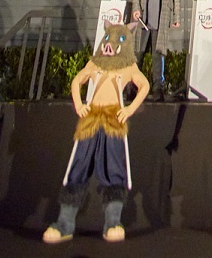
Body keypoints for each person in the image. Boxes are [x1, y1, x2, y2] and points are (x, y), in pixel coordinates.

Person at [42, 20, 150, 243]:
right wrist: (79, 105)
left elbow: (144, 85)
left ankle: (113, 222)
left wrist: (129, 110)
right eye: (109, 37)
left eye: (119, 38)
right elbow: (77, 81)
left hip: (112, 121)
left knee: (114, 169)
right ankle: (65, 223)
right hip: (91, 120)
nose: (111, 43)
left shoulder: (129, 66)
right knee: (78, 166)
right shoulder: (94, 63)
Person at [131, 0, 181, 100]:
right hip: (143, 20)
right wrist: (136, 8)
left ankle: (157, 88)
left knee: (158, 55)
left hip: (161, 19)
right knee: (137, 54)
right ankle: (132, 87)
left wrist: (177, 16)